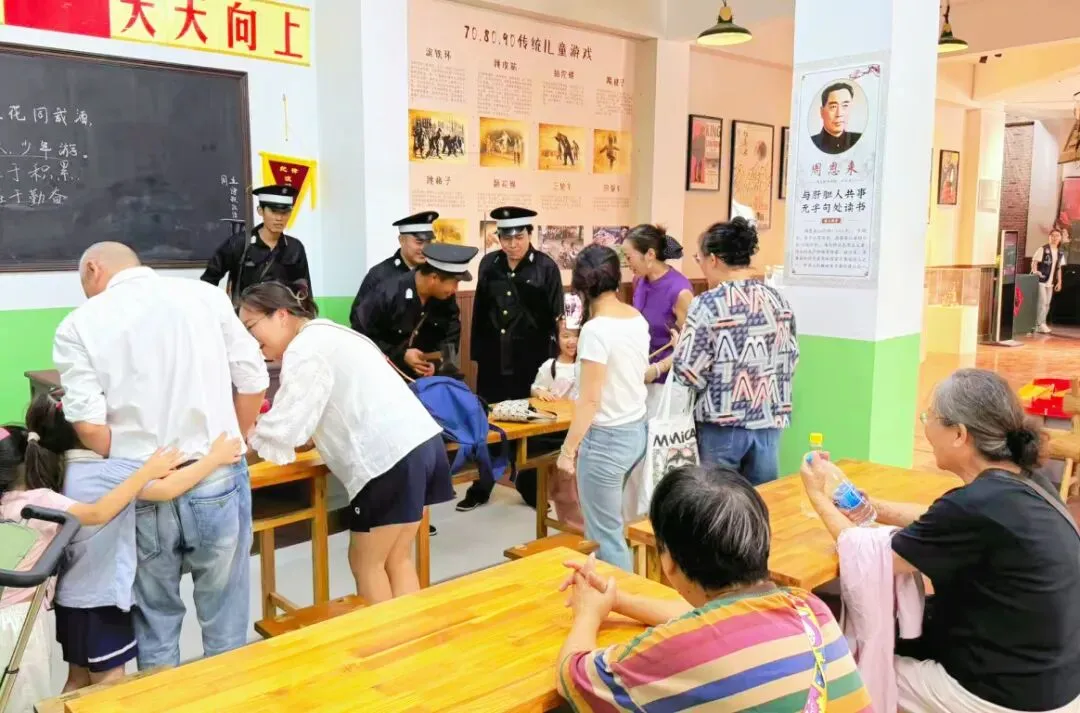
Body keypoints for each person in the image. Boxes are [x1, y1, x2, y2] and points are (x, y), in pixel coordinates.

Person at [802, 368, 1080, 713]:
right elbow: (937, 520)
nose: (925, 427)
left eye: (929, 417)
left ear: (959, 434)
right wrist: (870, 506)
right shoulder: (1024, 483)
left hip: (1009, 695)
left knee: (846, 672)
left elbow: (874, 558)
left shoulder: (976, 504)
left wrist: (817, 495)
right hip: (1056, 680)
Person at [53, 242, 269, 669]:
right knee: (225, 608)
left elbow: (89, 427)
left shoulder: (79, 324)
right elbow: (252, 377)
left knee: (155, 616)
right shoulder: (205, 297)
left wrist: (132, 456)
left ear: (93, 268)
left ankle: (161, 692)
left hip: (143, 484)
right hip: (216, 474)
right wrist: (233, 438)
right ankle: (228, 690)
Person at [556, 465, 872, 711]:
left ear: (669, 561)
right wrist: (617, 600)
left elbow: (572, 676)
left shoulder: (676, 652)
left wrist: (587, 614)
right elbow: (707, 620)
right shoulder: (810, 608)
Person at [10, 393, 242, 692]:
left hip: (70, 601)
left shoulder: (57, 470)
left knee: (78, 680)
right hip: (102, 601)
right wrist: (214, 458)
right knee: (110, 684)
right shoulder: (107, 470)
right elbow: (168, 489)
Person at [242, 282, 453, 603]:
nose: (249, 340)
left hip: (388, 459)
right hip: (422, 443)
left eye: (251, 326)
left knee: (366, 563)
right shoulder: (330, 332)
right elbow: (318, 416)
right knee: (397, 559)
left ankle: (383, 637)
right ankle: (409, 634)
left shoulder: (304, 349)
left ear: (281, 315)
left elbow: (285, 427)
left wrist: (245, 438)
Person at [672, 218, 799, 485]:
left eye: (699, 259)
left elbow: (689, 373)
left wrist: (679, 349)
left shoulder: (707, 304)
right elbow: (792, 357)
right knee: (760, 498)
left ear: (713, 259)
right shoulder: (777, 299)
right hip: (769, 422)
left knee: (719, 500)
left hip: (721, 425)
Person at [460, 206, 564, 512]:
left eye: (519, 237)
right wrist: (477, 356)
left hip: (530, 362)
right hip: (494, 361)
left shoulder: (546, 268)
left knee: (530, 426)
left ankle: (529, 486)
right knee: (488, 424)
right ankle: (482, 486)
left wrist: (555, 366)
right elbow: (480, 312)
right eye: (506, 238)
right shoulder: (489, 264)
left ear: (529, 235)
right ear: (499, 238)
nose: (513, 244)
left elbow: (557, 319)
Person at [555, 245, 648, 571]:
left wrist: (567, 451)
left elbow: (590, 401)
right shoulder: (636, 318)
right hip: (636, 431)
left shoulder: (596, 331)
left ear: (581, 285)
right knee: (615, 524)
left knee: (604, 535)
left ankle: (617, 595)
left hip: (606, 441)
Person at [353, 242, 472, 379]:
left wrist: (436, 364)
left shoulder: (445, 299)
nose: (455, 290)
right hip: (384, 376)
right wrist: (401, 355)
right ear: (434, 278)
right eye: (455, 283)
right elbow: (360, 336)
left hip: (425, 381)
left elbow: (450, 335)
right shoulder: (387, 294)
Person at [624, 224, 694, 412]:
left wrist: (659, 368)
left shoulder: (680, 291)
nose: (627, 263)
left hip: (668, 385)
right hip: (641, 376)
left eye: (629, 257)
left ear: (650, 254)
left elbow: (689, 346)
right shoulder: (639, 280)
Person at [201, 185, 311, 304]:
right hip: (246, 313)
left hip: (282, 313)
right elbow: (208, 281)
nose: (279, 218)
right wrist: (217, 309)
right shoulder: (239, 243)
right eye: (273, 211)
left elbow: (304, 290)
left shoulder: (295, 248)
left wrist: (306, 314)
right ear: (260, 211)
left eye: (285, 212)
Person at [351, 211, 439, 312]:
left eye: (428, 242)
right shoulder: (380, 275)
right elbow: (358, 315)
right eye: (419, 242)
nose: (424, 248)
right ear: (401, 240)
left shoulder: (435, 273)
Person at [811, 82, 862, 155]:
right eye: (833, 107)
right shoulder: (812, 143)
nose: (839, 114)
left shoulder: (860, 139)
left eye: (845, 105)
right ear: (822, 112)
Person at [1032, 227, 1066, 334]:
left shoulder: (1060, 253)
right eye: (1053, 236)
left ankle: (1042, 322)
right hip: (1041, 280)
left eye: (1057, 236)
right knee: (1042, 302)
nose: (1055, 238)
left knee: (1047, 303)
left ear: (1060, 238)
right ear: (1049, 237)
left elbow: (1059, 268)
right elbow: (1034, 262)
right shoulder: (1043, 249)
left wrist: (1059, 282)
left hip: (1050, 282)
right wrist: (1035, 271)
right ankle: (1039, 324)